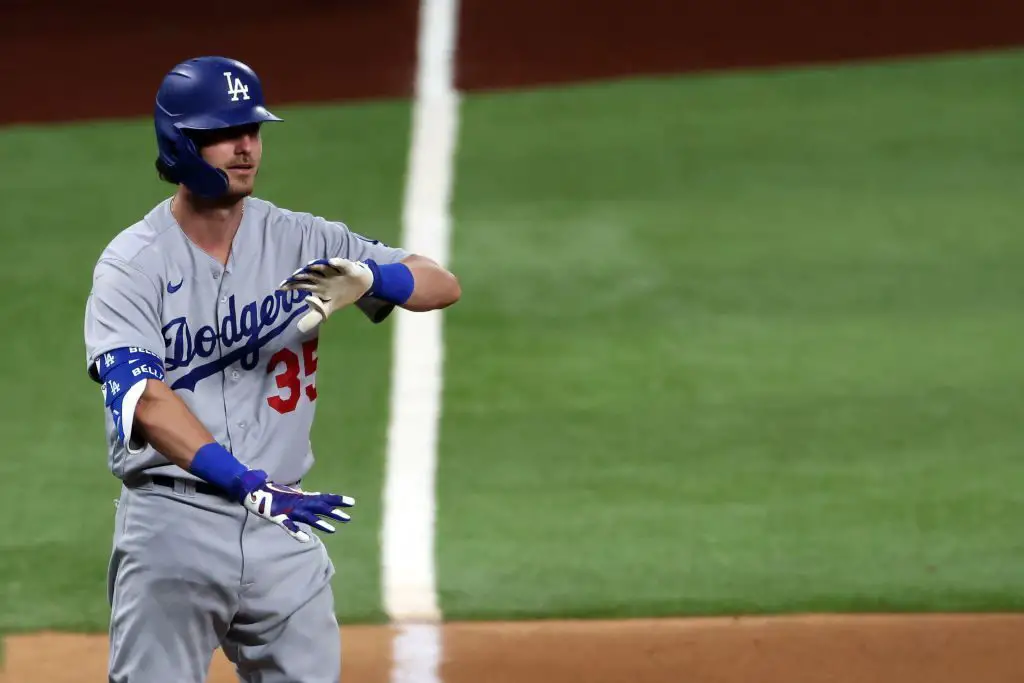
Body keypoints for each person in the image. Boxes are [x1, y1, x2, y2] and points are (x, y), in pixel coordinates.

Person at [82, 55, 460, 683]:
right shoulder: (132, 265)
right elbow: (145, 401)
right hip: (174, 525)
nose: (245, 148)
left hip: (281, 521)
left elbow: (441, 283)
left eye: (253, 131)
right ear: (180, 142)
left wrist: (376, 276)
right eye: (224, 135)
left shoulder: (300, 239)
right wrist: (243, 481)